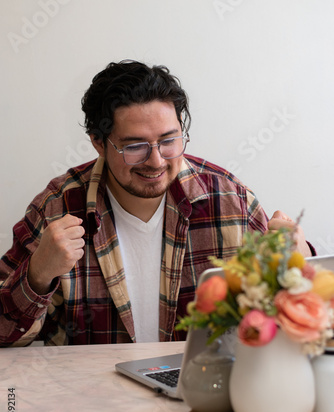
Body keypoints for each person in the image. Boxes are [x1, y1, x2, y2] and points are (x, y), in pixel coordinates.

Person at [0, 60, 313, 347]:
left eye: (168, 140)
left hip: (203, 394)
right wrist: (37, 276)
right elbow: (4, 338)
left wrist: (302, 267)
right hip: (91, 401)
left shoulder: (230, 202)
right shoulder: (57, 206)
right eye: (135, 146)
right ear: (98, 142)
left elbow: (292, 327)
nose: (156, 160)